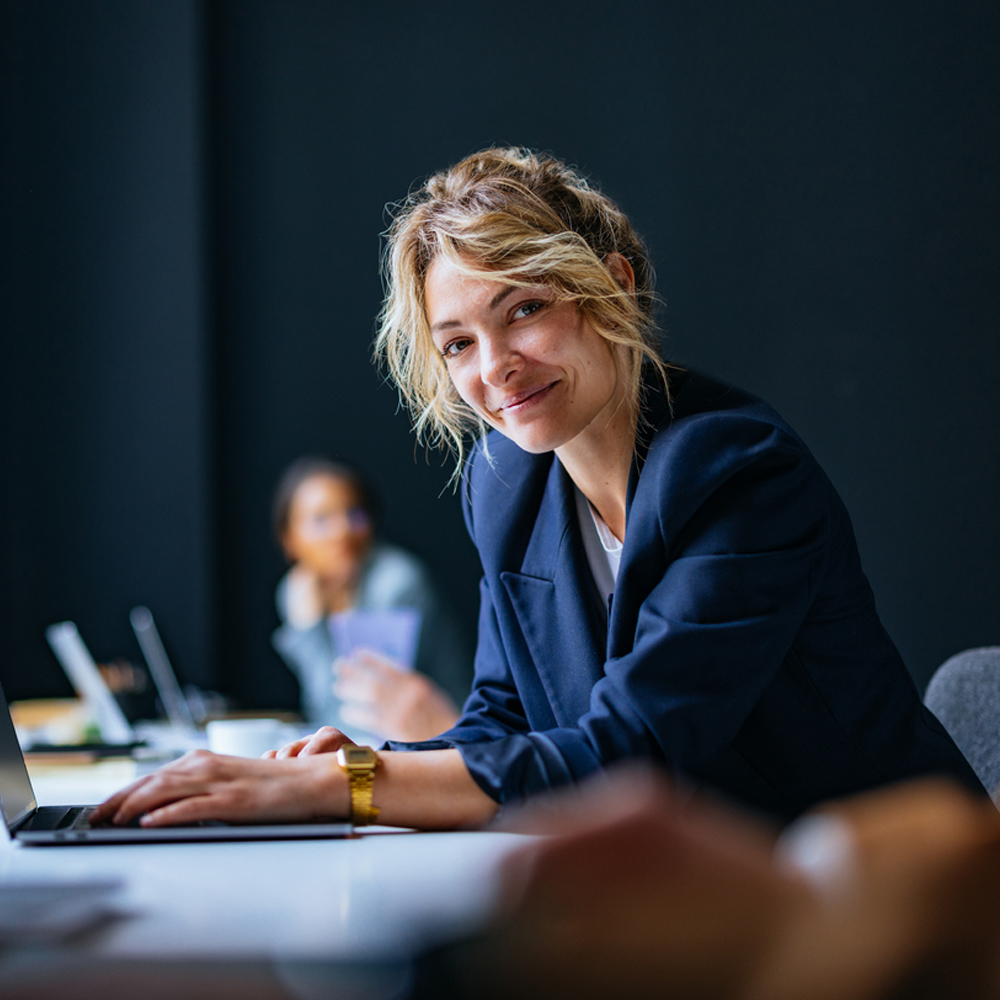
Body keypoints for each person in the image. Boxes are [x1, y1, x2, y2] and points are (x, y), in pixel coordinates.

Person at [93, 147, 984, 833]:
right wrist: (373, 759)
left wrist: (346, 790)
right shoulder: (506, 483)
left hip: (893, 903)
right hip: (694, 895)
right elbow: (501, 719)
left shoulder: (740, 472)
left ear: (613, 286)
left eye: (524, 308)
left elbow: (636, 750)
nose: (497, 370)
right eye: (457, 343)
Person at [270, 457, 471, 742]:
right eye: (321, 520)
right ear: (289, 540)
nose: (342, 531)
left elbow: (361, 717)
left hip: (445, 740)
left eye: (355, 514)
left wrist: (309, 631)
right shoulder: (298, 590)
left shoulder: (397, 583)